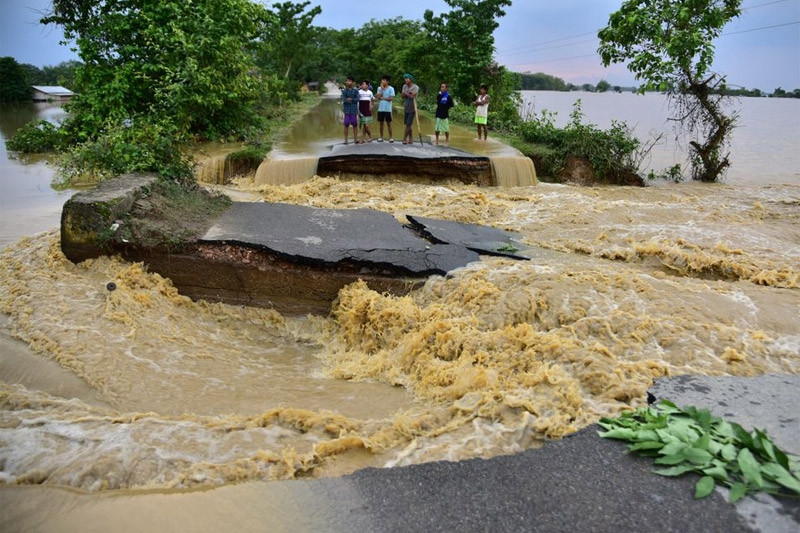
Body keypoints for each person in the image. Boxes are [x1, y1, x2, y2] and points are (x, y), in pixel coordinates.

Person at [374, 75, 395, 142]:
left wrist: (383, 98)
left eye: (383, 80)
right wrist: (382, 89)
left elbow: (391, 98)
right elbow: (378, 97)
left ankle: (391, 137)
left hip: (388, 109)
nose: (382, 81)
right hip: (381, 109)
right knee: (381, 123)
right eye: (382, 80)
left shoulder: (391, 88)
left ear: (387, 81)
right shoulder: (379, 88)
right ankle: (381, 137)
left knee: (389, 123)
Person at [400, 73, 419, 145]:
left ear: (411, 80)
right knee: (408, 124)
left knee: (408, 124)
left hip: (412, 107)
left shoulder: (415, 87)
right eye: (405, 79)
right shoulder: (404, 86)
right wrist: (408, 94)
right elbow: (402, 96)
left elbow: (412, 96)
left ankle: (404, 138)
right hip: (406, 106)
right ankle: (411, 138)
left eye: (407, 78)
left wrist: (406, 94)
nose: (405, 80)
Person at [341, 75, 359, 144]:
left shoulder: (355, 91)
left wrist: (351, 99)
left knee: (355, 124)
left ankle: (355, 139)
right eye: (347, 81)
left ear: (353, 82)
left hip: (354, 110)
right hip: (347, 110)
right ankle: (346, 140)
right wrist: (350, 100)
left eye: (349, 81)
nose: (348, 82)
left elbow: (357, 99)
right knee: (346, 124)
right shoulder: (344, 91)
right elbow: (344, 100)